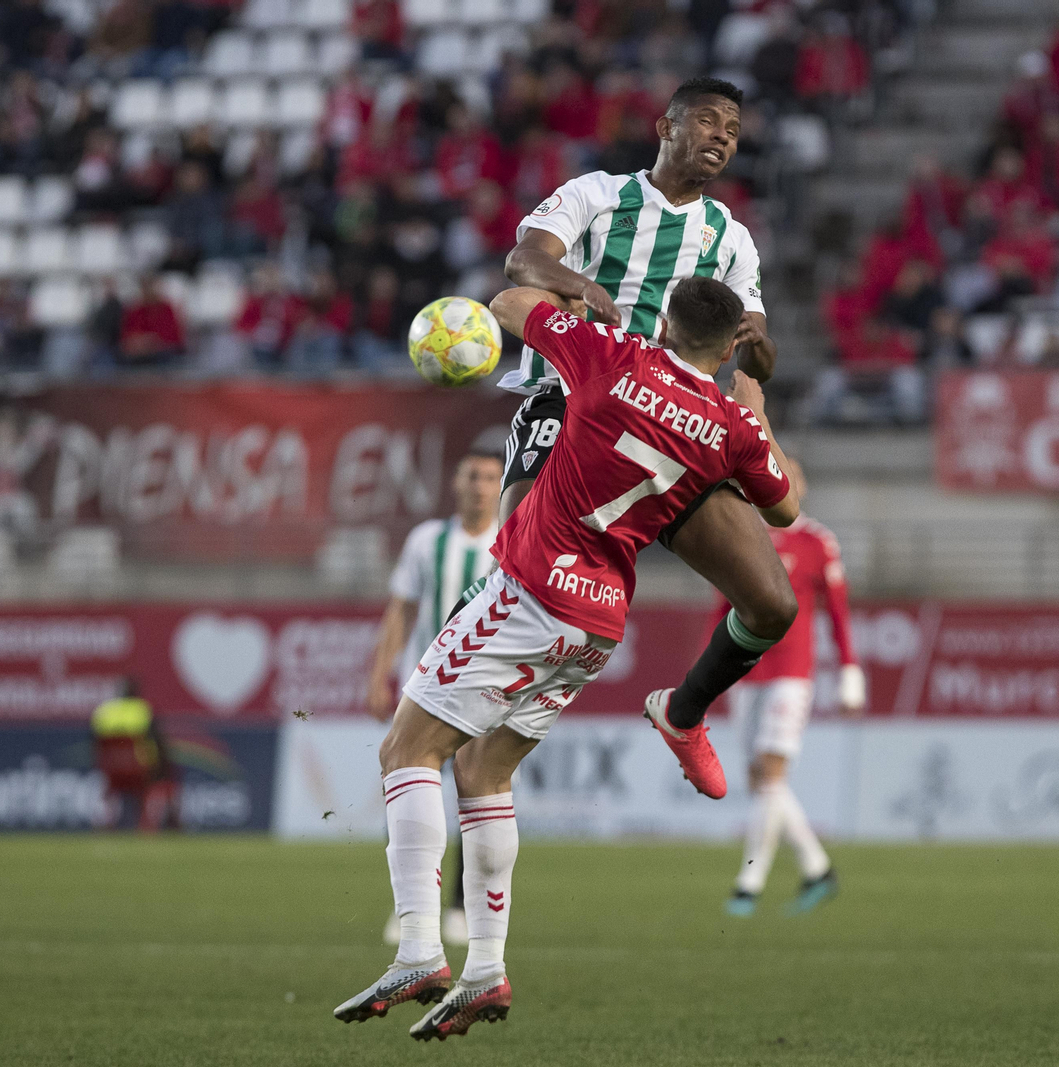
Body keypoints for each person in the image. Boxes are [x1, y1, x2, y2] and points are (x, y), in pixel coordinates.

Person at [333, 278, 798, 1041]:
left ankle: (418, 947)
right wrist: (750, 394)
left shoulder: (612, 357)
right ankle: (485, 968)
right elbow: (781, 506)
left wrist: (575, 298)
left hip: (530, 591)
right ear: (728, 342)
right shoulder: (729, 427)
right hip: (597, 623)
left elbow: (510, 304)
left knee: (404, 750)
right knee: (485, 772)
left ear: (667, 321)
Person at [485, 76, 797, 802]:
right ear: (665, 125)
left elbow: (759, 355)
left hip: (667, 430)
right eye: (709, 122)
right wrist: (577, 282)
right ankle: (473, 757)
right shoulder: (598, 193)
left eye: (733, 131)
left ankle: (682, 712)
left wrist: (759, 346)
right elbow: (523, 262)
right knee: (518, 592)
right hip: (571, 403)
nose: (723, 137)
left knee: (772, 603)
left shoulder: (731, 237)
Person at [366, 449, 504, 951]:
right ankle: (410, 908)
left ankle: (461, 909)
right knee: (406, 788)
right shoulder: (427, 540)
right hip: (422, 684)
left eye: (491, 477)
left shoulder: (509, 540)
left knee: (475, 791)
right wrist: (379, 672)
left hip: (486, 687)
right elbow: (401, 610)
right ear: (456, 482)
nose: (481, 486)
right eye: (473, 475)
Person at [720, 457, 863, 918]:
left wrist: (850, 671)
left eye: (792, 476)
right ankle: (818, 869)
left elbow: (839, 613)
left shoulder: (816, 541)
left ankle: (748, 884)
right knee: (761, 781)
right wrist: (710, 670)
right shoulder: (742, 535)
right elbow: (721, 608)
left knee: (771, 772)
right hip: (745, 671)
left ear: (799, 486)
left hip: (791, 674)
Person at [90, 678, 179, 831]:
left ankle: (106, 822)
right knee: (166, 774)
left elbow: (95, 743)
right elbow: (158, 742)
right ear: (136, 693)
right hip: (139, 771)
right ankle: (159, 823)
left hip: (112, 772)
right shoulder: (142, 711)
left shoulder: (104, 712)